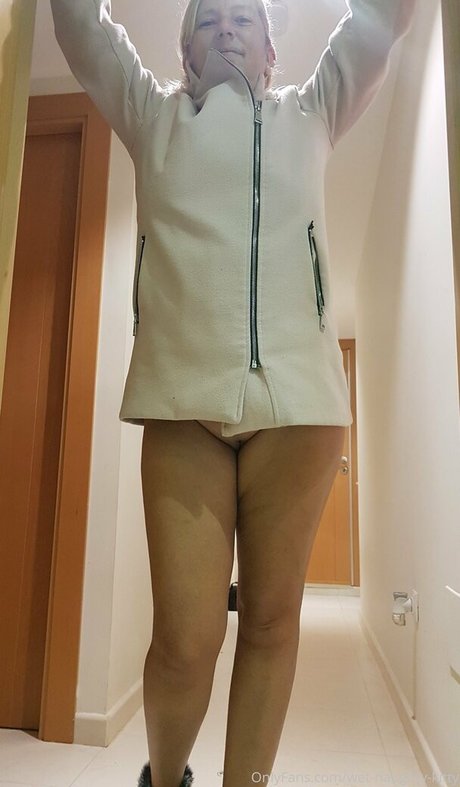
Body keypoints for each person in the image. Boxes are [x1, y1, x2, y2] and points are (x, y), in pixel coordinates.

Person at [50, 1, 417, 785]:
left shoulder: (313, 110)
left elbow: (383, 20)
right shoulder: (152, 114)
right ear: (185, 53)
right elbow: (80, 25)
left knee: (271, 623)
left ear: (271, 52)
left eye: (244, 18)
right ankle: (165, 777)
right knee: (184, 642)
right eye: (208, 19)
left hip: (301, 410)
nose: (226, 27)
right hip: (182, 405)